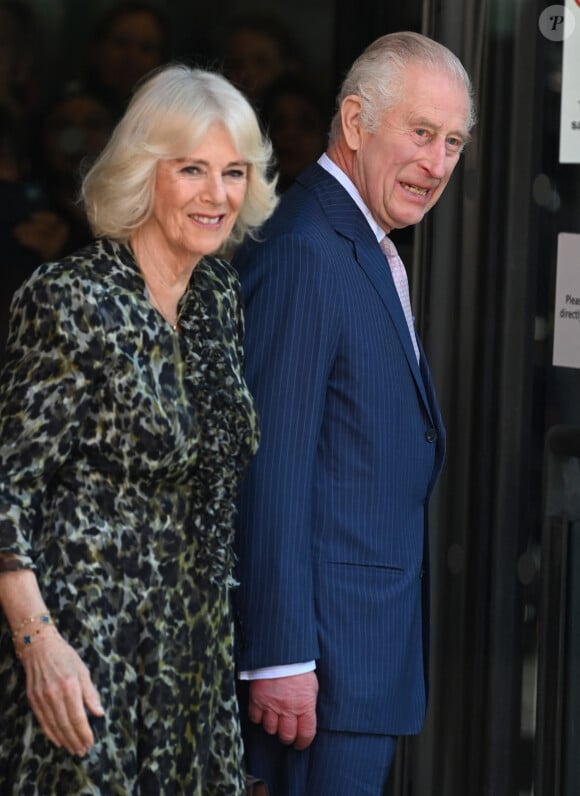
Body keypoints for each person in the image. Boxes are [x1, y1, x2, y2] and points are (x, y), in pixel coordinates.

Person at [0, 63, 277, 794]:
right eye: (192, 170)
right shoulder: (70, 300)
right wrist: (40, 645)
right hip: (85, 658)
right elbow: (7, 489)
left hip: (194, 657)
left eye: (234, 172)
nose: (217, 195)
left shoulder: (219, 295)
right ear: (144, 173)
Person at [233, 31, 476, 795]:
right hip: (318, 677)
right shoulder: (309, 247)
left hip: (357, 660)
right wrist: (279, 656)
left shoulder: (363, 241)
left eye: (454, 143)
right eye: (421, 133)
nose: (437, 165)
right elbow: (268, 463)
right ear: (355, 121)